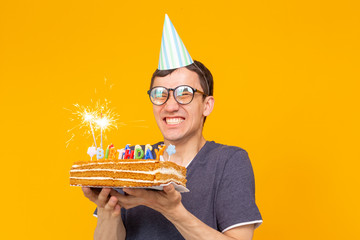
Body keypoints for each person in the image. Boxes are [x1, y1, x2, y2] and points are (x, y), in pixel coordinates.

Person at [82, 60, 262, 240]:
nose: (170, 106)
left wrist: (172, 211)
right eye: (160, 94)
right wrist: (108, 209)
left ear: (207, 105)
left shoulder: (228, 162)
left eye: (184, 94)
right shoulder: (134, 163)